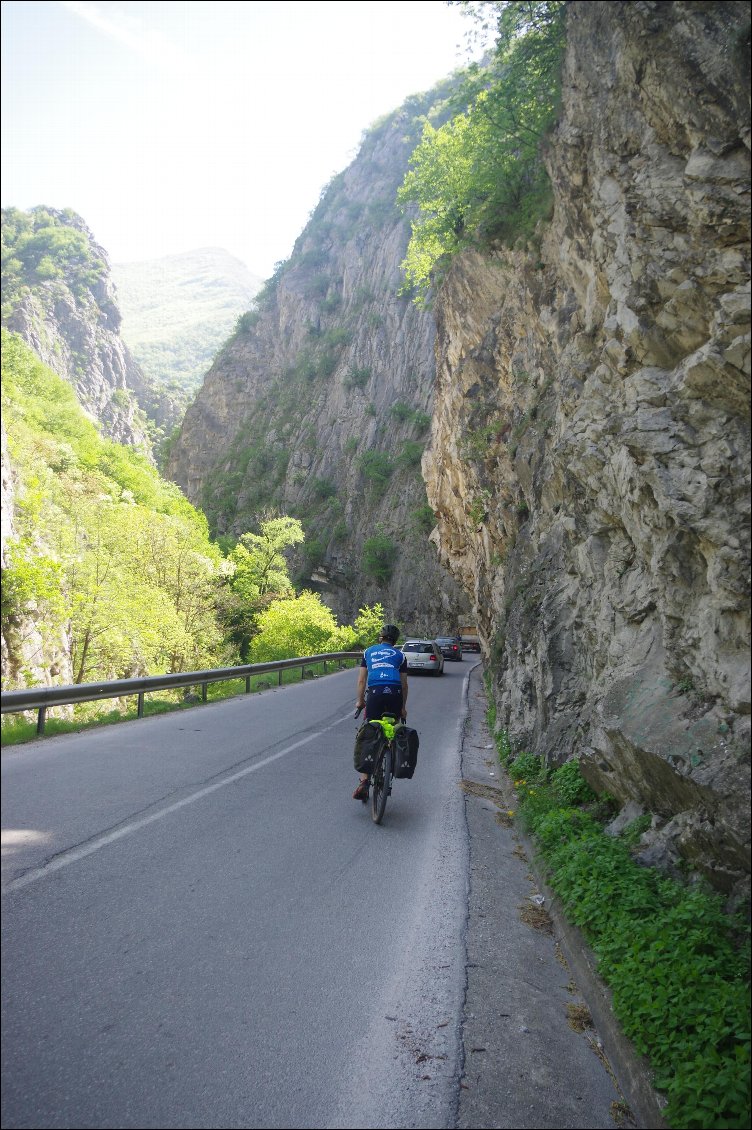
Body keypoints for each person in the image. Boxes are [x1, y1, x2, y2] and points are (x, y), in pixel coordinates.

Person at [353, 623, 408, 800]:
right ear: (395, 641)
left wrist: (360, 701)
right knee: (393, 729)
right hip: (395, 695)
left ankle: (364, 782)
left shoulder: (368, 652)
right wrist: (403, 708)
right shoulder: (401, 655)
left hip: (375, 694)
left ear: (380, 638)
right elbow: (404, 684)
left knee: (369, 731)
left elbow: (362, 681)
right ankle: (390, 759)